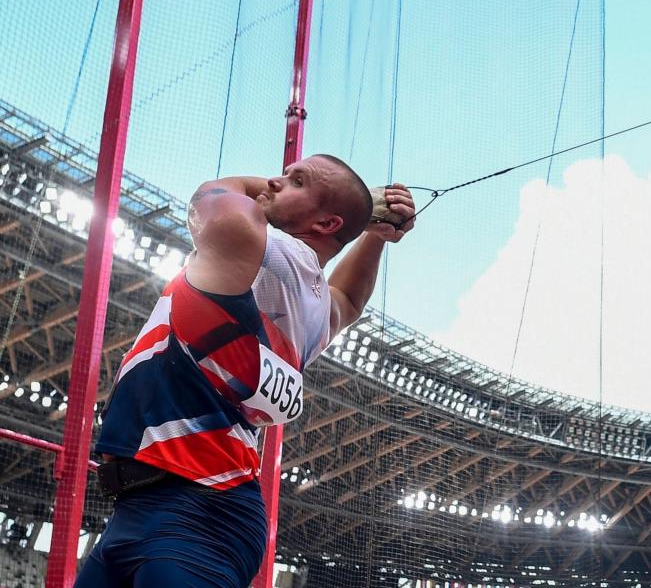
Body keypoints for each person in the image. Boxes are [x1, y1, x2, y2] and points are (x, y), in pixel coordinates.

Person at [74, 154, 415, 587]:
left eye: (296, 180)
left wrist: (366, 206)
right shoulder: (312, 303)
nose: (274, 181)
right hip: (164, 505)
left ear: (327, 224)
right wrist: (376, 234)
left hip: (199, 508)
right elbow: (348, 298)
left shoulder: (260, 248)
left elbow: (212, 196)